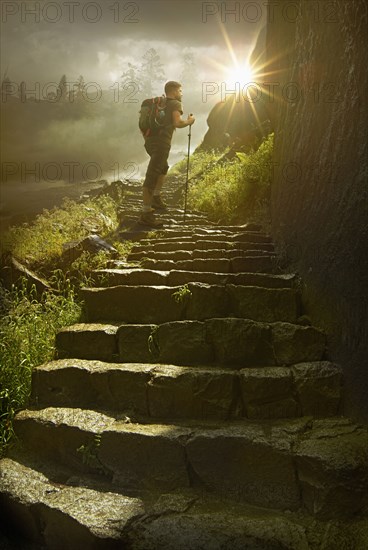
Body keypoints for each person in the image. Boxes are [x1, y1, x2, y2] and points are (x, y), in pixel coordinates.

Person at [139, 80, 195, 227]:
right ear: (175, 91)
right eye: (180, 91)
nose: (181, 93)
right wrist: (190, 121)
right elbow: (177, 123)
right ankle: (146, 213)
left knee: (163, 167)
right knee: (152, 174)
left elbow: (143, 125)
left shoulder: (156, 105)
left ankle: (156, 197)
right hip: (162, 144)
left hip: (150, 142)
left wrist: (149, 140)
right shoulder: (175, 103)